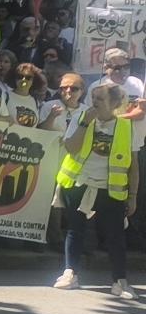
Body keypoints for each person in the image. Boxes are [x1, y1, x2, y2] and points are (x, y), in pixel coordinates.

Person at [52, 80, 136, 299]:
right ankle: (70, 273)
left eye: (100, 98)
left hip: (110, 189)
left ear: (115, 103)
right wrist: (84, 124)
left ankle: (120, 281)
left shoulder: (126, 127)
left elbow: (133, 165)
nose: (94, 102)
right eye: (93, 97)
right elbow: (70, 147)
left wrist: (133, 196)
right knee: (75, 230)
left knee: (115, 236)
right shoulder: (82, 118)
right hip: (79, 184)